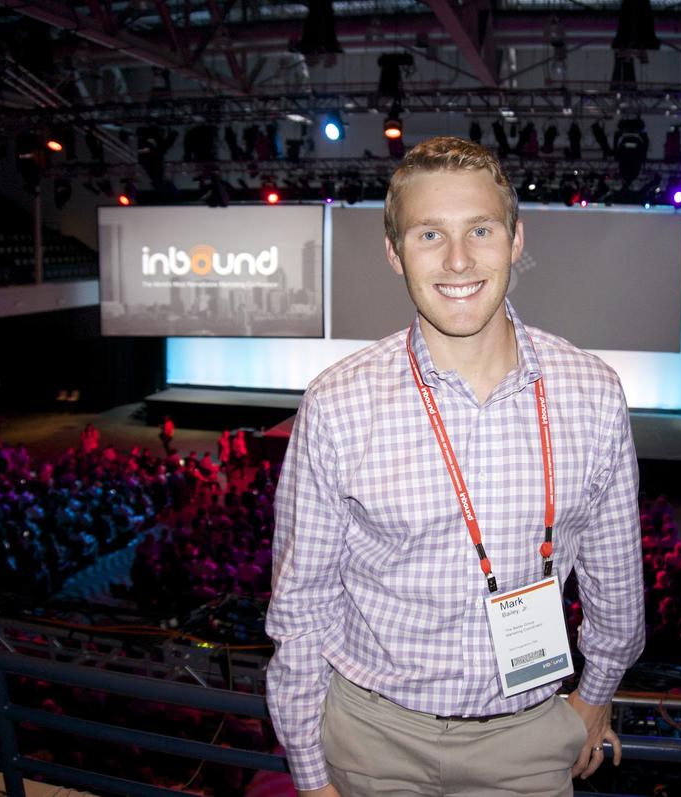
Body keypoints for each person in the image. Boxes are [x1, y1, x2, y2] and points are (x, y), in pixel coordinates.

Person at [265, 137, 644, 797]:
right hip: (369, 737)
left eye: (481, 230)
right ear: (393, 252)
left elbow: (616, 579)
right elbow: (301, 605)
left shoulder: (594, 393)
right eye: (429, 233)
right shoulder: (336, 403)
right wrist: (309, 767)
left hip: (527, 738)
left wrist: (596, 692)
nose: (459, 259)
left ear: (516, 239)